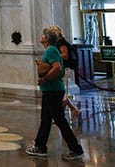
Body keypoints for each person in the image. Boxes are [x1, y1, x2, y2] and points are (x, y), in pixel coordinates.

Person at [26, 28, 84, 161]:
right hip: (50, 90)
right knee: (46, 119)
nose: (40, 36)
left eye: (42, 35)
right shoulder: (52, 50)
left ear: (46, 38)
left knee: (59, 120)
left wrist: (45, 78)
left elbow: (57, 67)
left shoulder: (51, 49)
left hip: (53, 90)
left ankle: (75, 148)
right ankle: (40, 146)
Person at [48, 25, 81, 117]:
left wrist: (54, 57)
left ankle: (60, 115)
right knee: (61, 93)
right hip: (63, 67)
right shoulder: (59, 42)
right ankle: (72, 109)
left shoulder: (61, 43)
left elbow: (65, 55)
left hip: (64, 68)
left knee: (60, 92)